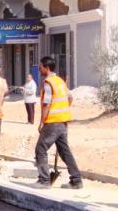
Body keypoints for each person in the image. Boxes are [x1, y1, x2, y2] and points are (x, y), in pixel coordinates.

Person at [31, 56, 82, 189]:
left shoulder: (48, 82)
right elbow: (70, 97)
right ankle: (76, 180)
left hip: (52, 122)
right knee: (65, 151)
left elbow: (47, 103)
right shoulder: (60, 81)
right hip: (63, 121)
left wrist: (42, 122)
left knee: (40, 149)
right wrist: (62, 110)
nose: (39, 69)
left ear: (46, 68)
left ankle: (44, 180)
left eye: (40, 67)